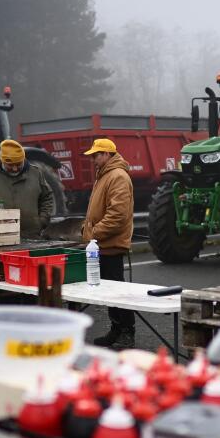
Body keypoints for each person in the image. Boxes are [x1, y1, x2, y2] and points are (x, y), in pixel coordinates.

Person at [81, 138, 135, 349]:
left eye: (96, 155)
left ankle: (126, 331)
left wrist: (92, 234)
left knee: (117, 290)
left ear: (107, 154)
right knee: (109, 290)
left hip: (109, 244)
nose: (93, 159)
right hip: (102, 244)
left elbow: (117, 216)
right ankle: (117, 329)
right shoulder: (106, 174)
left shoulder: (117, 176)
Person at [0, 140, 53, 238]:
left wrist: (42, 220)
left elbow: (47, 197)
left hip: (32, 235)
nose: (15, 169)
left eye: (19, 164)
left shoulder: (35, 173)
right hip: (0, 237)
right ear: (2, 160)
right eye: (10, 165)